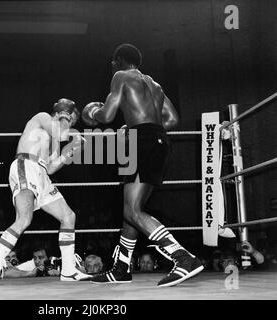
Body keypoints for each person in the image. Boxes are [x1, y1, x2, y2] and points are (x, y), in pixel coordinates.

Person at [83, 44, 203, 287]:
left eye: (112, 61)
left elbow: (106, 116)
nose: (111, 65)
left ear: (117, 60)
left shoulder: (121, 76)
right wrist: (142, 127)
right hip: (158, 141)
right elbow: (172, 119)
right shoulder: (154, 84)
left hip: (142, 143)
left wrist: (92, 111)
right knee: (131, 209)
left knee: (132, 210)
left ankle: (183, 257)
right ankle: (121, 268)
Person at [0, 98, 91, 285]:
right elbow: (61, 132)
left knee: (68, 216)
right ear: (60, 112)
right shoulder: (42, 118)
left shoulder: (55, 139)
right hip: (26, 164)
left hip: (41, 174)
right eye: (70, 119)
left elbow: (51, 168)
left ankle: (69, 271)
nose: (70, 124)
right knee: (24, 219)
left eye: (72, 122)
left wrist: (70, 152)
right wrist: (67, 123)